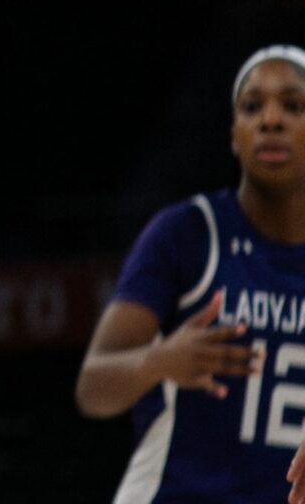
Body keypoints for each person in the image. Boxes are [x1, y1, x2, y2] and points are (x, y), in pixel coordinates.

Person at [77, 44, 305, 503]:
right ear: (233, 134)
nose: (271, 120)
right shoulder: (187, 233)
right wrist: (159, 361)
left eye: (294, 105)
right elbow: (92, 388)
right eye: (252, 106)